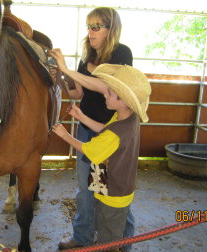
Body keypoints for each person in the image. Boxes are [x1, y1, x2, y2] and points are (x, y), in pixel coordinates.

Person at [49, 7, 135, 250]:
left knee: (115, 192)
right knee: (87, 190)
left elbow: (104, 87)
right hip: (88, 128)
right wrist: (61, 79)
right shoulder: (87, 57)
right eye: (89, 26)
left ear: (111, 29)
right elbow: (78, 92)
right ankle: (83, 238)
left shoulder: (122, 53)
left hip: (111, 133)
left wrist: (67, 70)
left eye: (96, 26)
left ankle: (125, 242)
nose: (90, 31)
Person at [52, 64, 151, 250]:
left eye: (110, 93)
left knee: (108, 236)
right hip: (116, 184)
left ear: (123, 100)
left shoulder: (116, 133)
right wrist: (81, 117)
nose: (105, 94)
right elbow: (105, 128)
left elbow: (88, 149)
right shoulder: (127, 117)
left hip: (112, 193)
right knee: (113, 221)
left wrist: (64, 135)